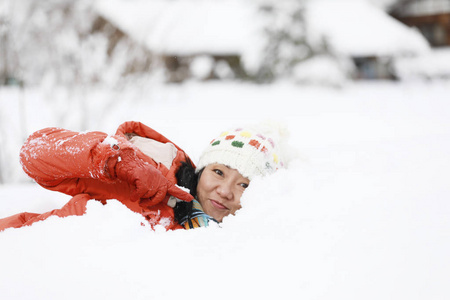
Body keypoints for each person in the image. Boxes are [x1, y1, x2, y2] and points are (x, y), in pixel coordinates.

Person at [0, 121, 286, 231]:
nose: (225, 190)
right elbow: (34, 152)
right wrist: (115, 161)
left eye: (243, 184)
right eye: (219, 172)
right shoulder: (146, 174)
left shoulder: (244, 240)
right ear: (201, 170)